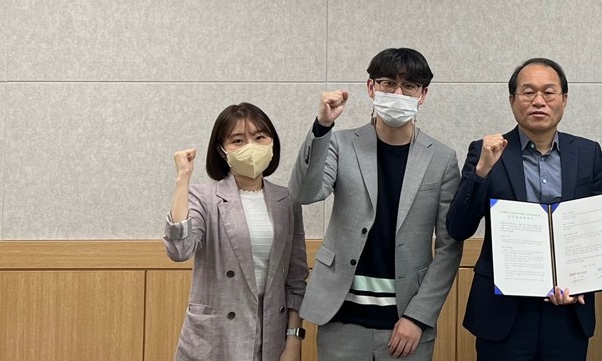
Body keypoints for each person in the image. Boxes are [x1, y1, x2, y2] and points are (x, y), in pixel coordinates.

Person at [288, 48, 463, 361]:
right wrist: (322, 126)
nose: (398, 94)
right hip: (340, 317)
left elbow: (449, 247)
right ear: (371, 87)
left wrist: (418, 317)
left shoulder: (442, 158)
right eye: (388, 84)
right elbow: (304, 193)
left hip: (405, 324)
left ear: (423, 95)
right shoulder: (340, 143)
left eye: (409, 86)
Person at [446, 58, 602, 361]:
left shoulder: (588, 152)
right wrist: (481, 171)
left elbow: (598, 230)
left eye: (548, 92)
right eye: (528, 92)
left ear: (564, 99)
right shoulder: (486, 151)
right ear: (512, 100)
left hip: (567, 309)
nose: (538, 101)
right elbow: (458, 228)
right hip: (504, 311)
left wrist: (584, 281)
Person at [164, 102, 308, 361]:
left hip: (271, 336)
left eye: (259, 137)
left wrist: (294, 338)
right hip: (215, 337)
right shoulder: (204, 197)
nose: (250, 147)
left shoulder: (286, 200)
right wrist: (182, 178)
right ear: (222, 150)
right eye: (238, 140)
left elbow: (296, 279)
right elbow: (179, 250)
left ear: (272, 143)